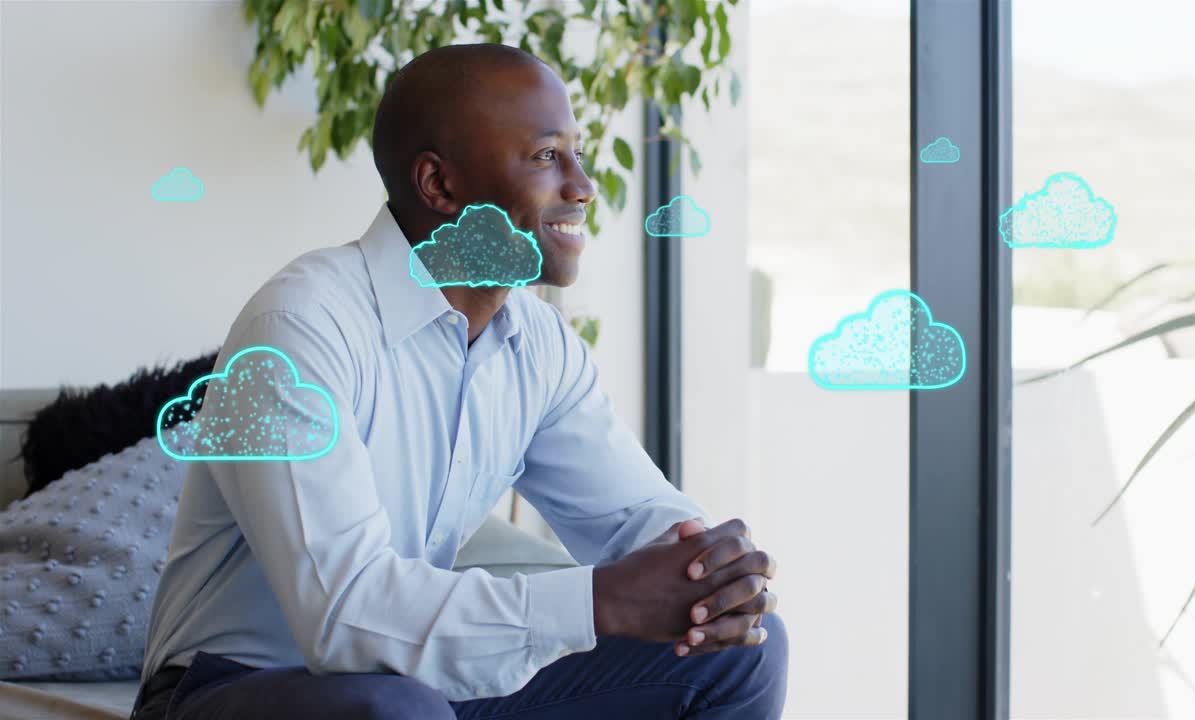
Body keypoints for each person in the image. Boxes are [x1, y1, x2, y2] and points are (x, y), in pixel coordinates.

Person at [130, 42, 786, 720]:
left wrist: (707, 573)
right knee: (395, 708)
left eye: (578, 155)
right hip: (232, 690)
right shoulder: (298, 330)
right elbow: (346, 618)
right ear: (439, 186)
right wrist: (599, 600)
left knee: (737, 653)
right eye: (544, 157)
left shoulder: (539, 345)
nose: (583, 187)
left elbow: (633, 518)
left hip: (418, 686)